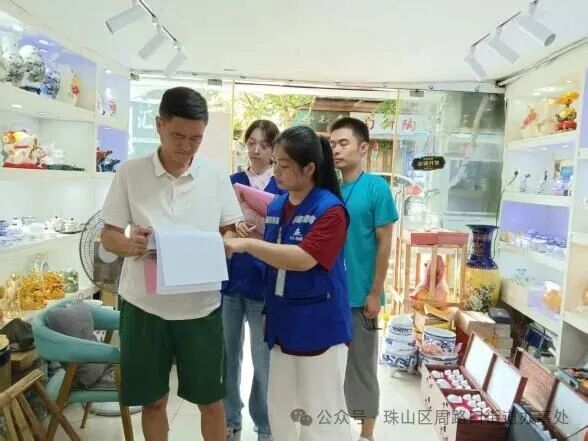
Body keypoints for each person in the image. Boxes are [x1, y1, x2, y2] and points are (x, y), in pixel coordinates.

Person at [100, 87, 244, 441]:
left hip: (201, 308)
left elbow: (229, 230)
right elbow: (108, 235)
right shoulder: (130, 173)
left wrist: (229, 244)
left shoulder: (215, 177)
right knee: (153, 401)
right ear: (159, 125)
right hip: (144, 307)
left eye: (196, 138)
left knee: (212, 402)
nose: (187, 146)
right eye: (179, 136)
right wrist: (130, 245)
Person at [224, 126, 353, 441]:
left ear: (309, 169)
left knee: (320, 417)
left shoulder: (330, 210)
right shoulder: (278, 207)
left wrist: (247, 244)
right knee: (282, 411)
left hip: (319, 327)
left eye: (284, 165)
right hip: (282, 325)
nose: (276, 171)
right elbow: (274, 265)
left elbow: (302, 259)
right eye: (276, 164)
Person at [329, 117, 399, 441]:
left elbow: (385, 243)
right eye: (332, 144)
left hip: (361, 295)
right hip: (330, 295)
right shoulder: (328, 189)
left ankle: (367, 433)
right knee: (331, 368)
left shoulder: (376, 188)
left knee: (362, 366)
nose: (336, 149)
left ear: (364, 148)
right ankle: (333, 426)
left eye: (343, 143)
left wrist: (376, 291)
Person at [222, 120, 283, 441]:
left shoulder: (281, 185)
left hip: (264, 284)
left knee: (264, 361)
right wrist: (232, 228)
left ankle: (264, 423)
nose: (256, 150)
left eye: (264, 145)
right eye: (251, 143)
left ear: (274, 150)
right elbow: (218, 227)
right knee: (227, 355)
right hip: (231, 282)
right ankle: (230, 417)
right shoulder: (231, 182)